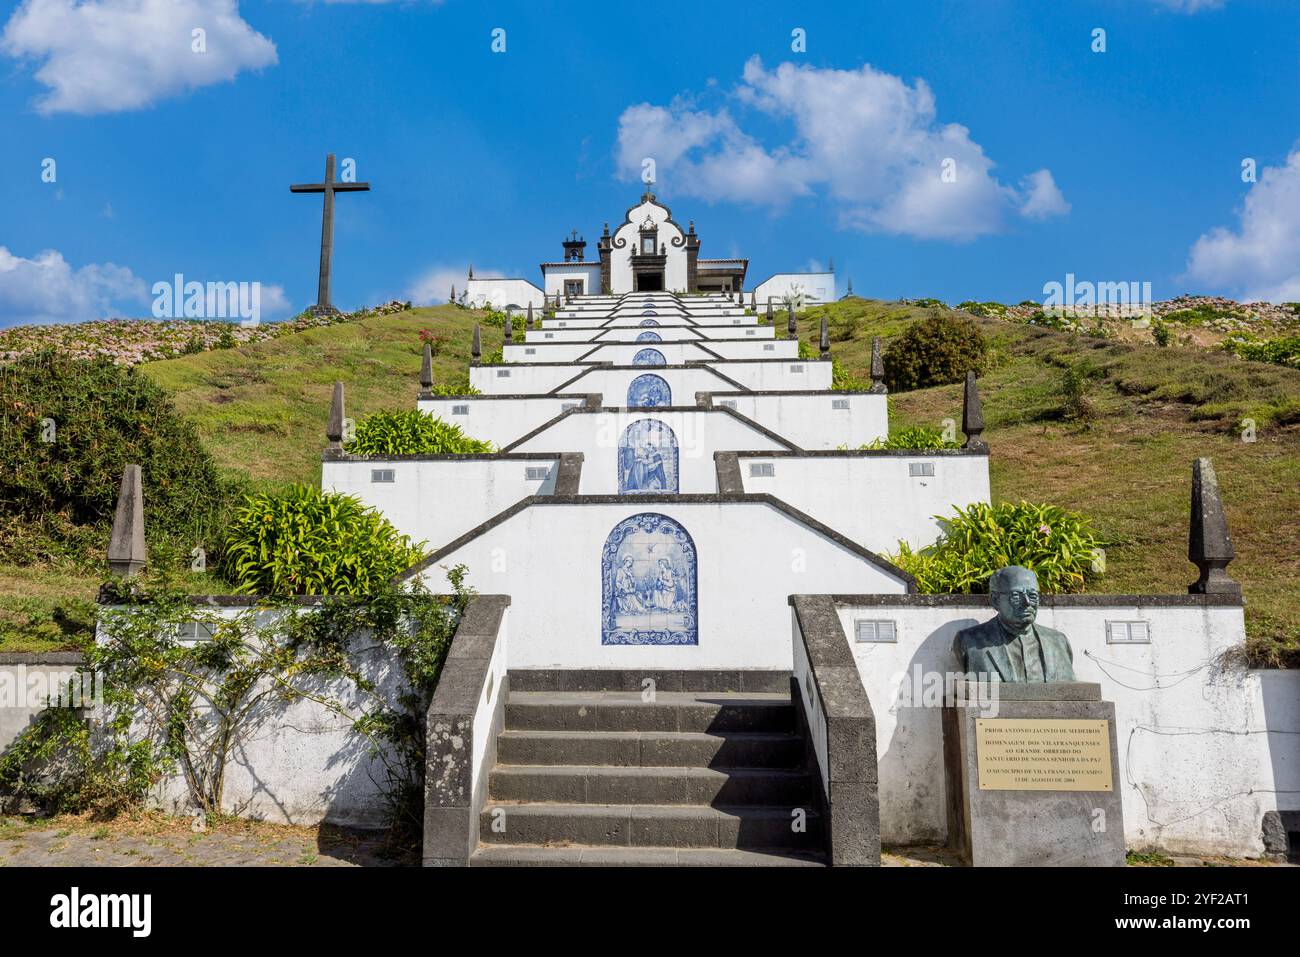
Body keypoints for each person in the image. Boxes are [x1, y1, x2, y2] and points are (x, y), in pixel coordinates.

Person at [952, 566, 1076, 682]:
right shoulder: (969, 641)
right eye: (1016, 595)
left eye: (1033, 595)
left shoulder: (1058, 641)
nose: (1027, 602)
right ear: (995, 600)